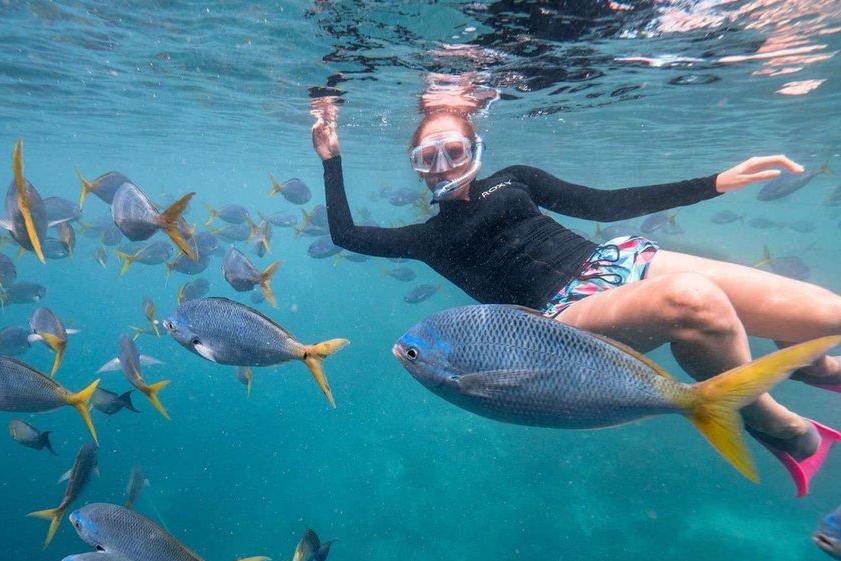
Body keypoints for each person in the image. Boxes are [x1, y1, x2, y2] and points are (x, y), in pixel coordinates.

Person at [310, 95, 841, 496]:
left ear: (476, 150)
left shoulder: (513, 179)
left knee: (827, 312)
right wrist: (331, 160)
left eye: (455, 150)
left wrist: (715, 182)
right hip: (559, 316)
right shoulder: (426, 238)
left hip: (616, 259)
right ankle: (773, 423)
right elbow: (346, 235)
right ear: (416, 165)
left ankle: (813, 365)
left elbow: (604, 204)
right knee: (691, 301)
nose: (444, 165)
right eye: (429, 156)